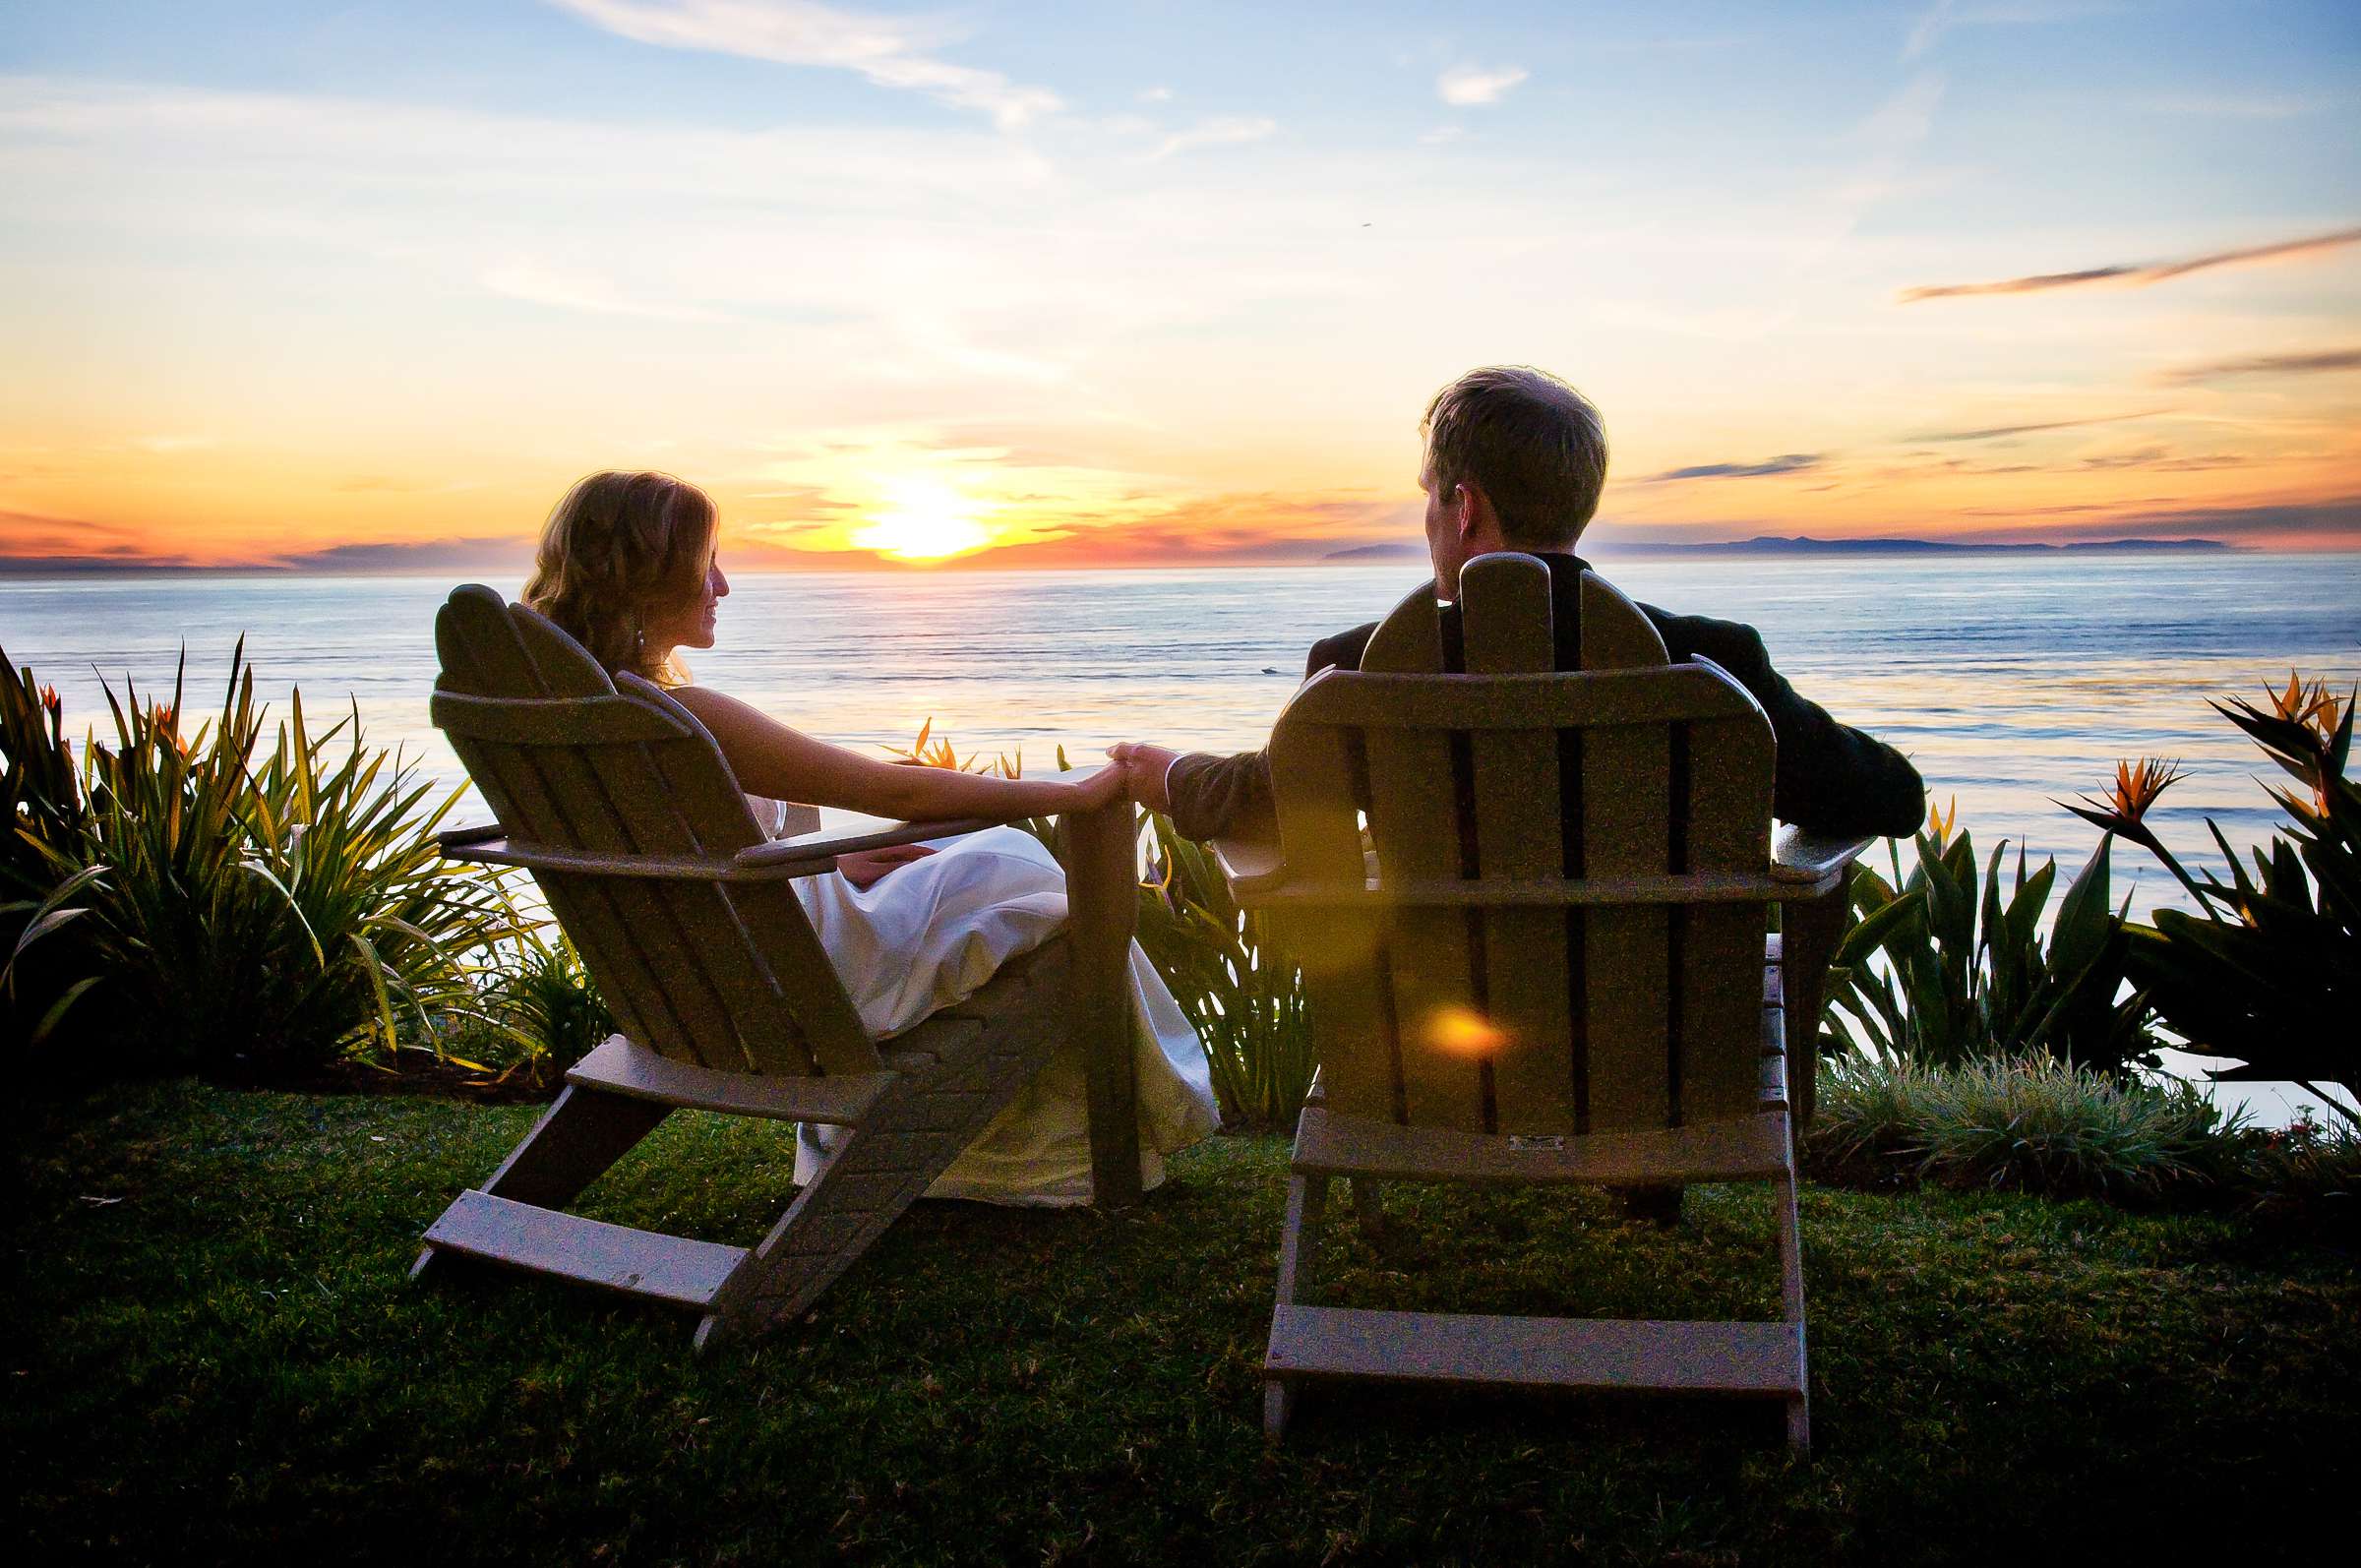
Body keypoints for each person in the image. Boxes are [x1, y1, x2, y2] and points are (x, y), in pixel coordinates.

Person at [522, 470, 1219, 1205]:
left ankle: (1003, 1159)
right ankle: (1090, 1145)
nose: (722, 585)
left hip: (699, 986)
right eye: (707, 564)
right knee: (1017, 868)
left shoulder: (576, 723)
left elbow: (682, 857)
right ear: (649, 578)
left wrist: (840, 863)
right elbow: (896, 791)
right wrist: (1067, 793)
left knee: (963, 864)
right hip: (809, 991)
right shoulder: (685, 719)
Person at [1111, 363, 1925, 845]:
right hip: (1666, 1064)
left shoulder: (1359, 669)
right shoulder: (1714, 665)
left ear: (1464, 509)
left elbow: (1267, 803)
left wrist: (1169, 772)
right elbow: (1890, 798)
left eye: (1429, 497)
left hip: (1432, 1072)